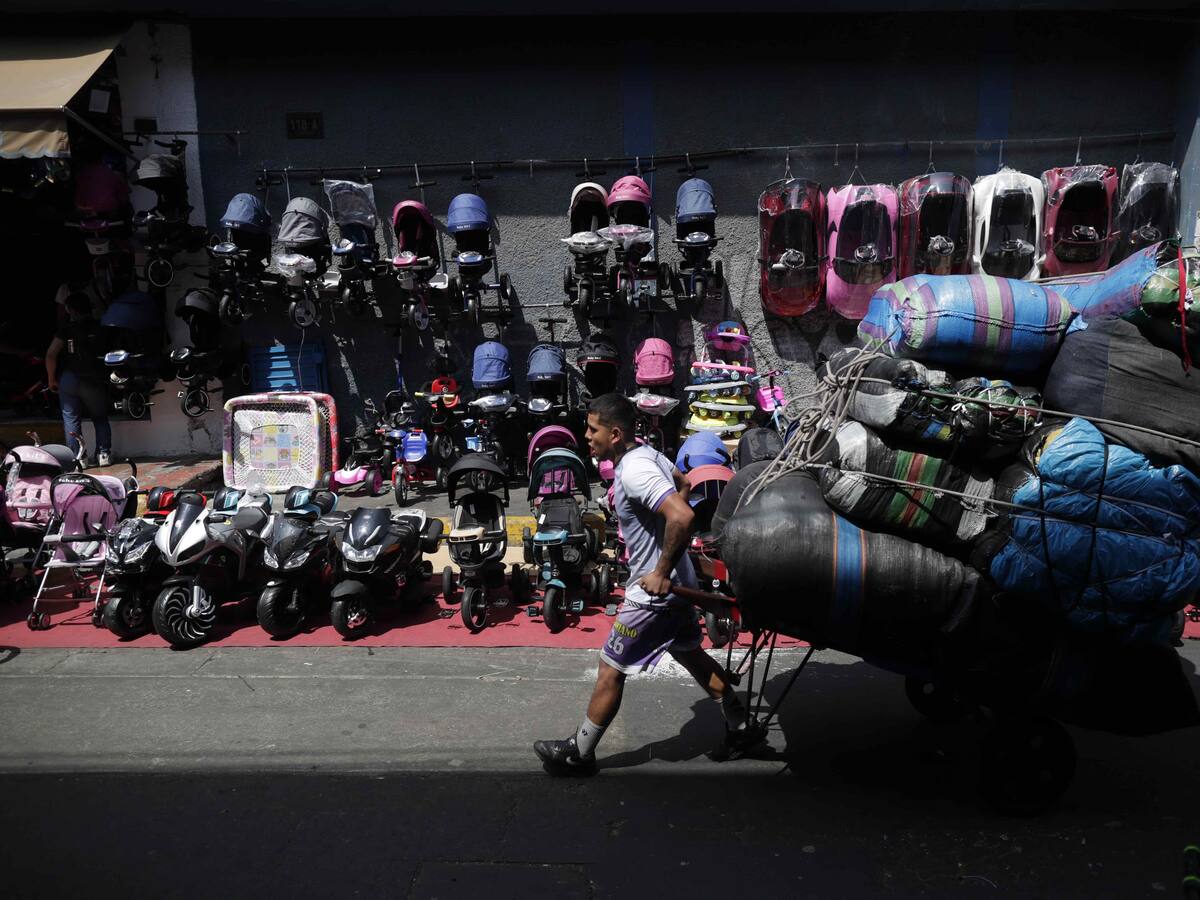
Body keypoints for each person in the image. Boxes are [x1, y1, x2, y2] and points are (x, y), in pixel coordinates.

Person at [534, 393, 747, 775]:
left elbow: (682, 515)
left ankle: (578, 753)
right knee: (692, 656)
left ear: (615, 434)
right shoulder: (647, 454)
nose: (586, 436)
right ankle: (742, 727)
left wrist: (661, 569)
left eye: (592, 429)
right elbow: (683, 482)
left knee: (610, 670)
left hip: (654, 595)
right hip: (677, 588)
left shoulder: (634, 470)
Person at [46, 292, 111, 466]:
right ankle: (103, 455)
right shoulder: (101, 326)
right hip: (93, 378)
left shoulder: (66, 329)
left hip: (69, 378)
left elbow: (51, 354)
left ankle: (78, 458)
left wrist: (51, 379)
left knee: (71, 418)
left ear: (70, 310)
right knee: (100, 417)